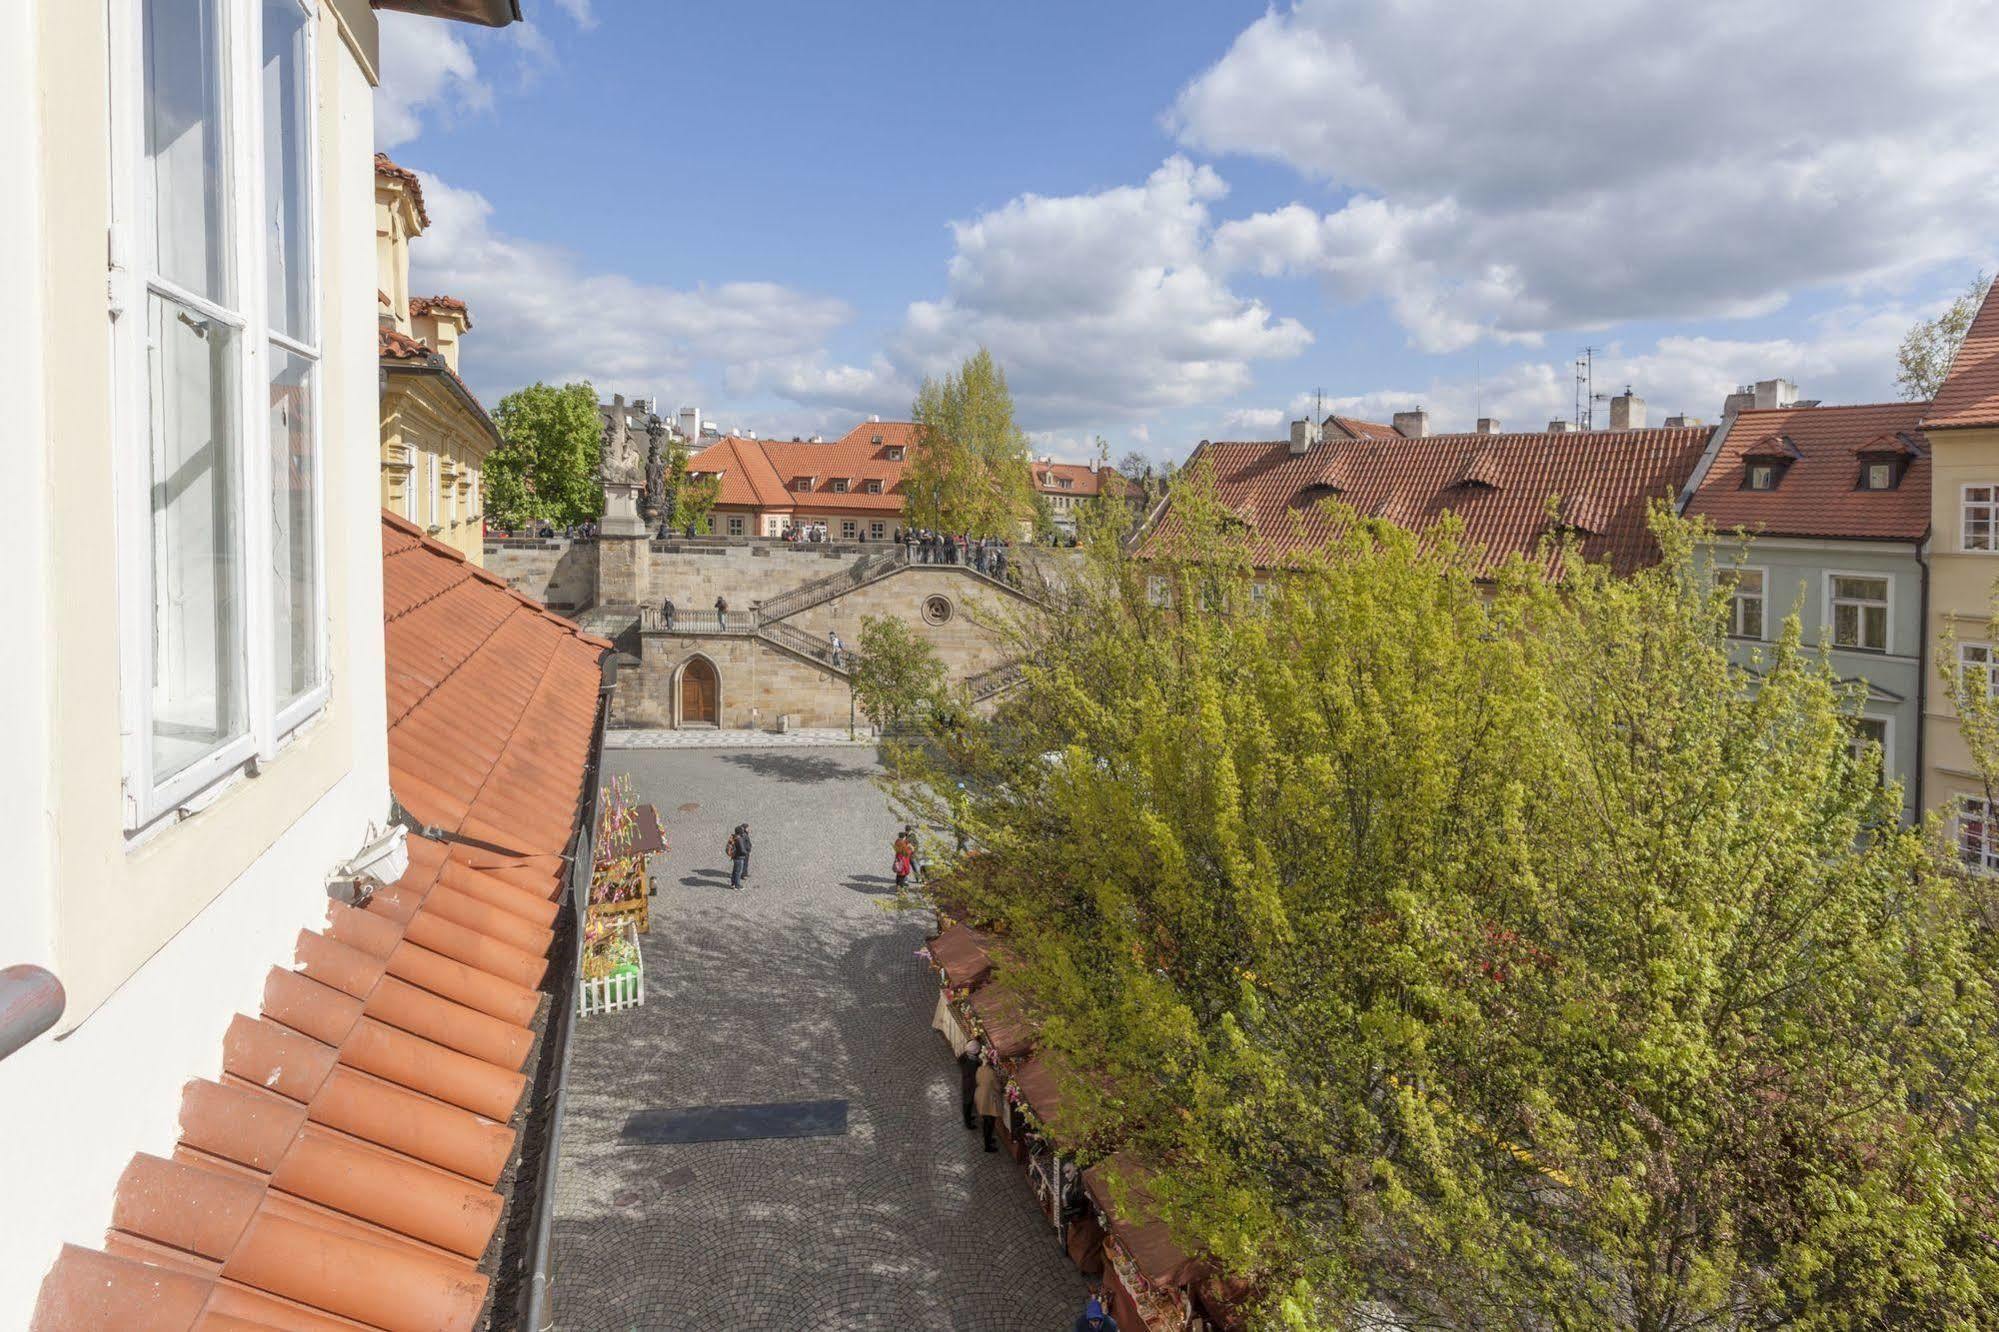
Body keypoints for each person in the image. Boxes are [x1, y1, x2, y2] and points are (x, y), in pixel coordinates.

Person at [974, 1052, 1001, 1151]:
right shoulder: (991, 1072)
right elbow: (997, 1087)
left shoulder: (979, 1069)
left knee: (986, 1120)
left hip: (980, 1096)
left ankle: (988, 1139)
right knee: (990, 1123)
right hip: (989, 1099)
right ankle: (988, 1145)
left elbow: (977, 1081)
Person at [956, 1038, 982, 1130]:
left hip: (967, 1082)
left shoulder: (965, 1056)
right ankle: (968, 1123)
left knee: (967, 1102)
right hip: (970, 1084)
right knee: (967, 1102)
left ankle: (968, 1117)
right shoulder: (973, 1063)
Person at [726, 822, 752, 890]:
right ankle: (737, 885)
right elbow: (742, 850)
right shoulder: (739, 839)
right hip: (739, 857)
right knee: (738, 872)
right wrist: (746, 853)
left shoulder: (734, 837)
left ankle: (733, 883)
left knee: (735, 871)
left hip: (735, 857)